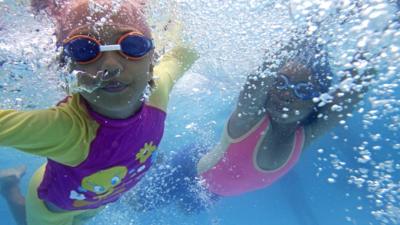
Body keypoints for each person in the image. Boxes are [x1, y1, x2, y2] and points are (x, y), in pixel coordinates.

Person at [0, 0, 198, 225]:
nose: (111, 66)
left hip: (97, 198)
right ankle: (10, 189)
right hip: (51, 210)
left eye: (132, 45)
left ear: (152, 59)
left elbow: (186, 51)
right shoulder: (67, 130)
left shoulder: (158, 91)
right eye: (83, 50)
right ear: (66, 67)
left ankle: (9, 184)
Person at [129, 37, 374, 213]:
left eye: (303, 90)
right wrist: (303, 36)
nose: (286, 94)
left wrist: (373, 37)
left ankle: (161, 163)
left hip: (215, 190)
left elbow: (348, 98)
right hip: (189, 168)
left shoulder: (304, 136)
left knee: (187, 209)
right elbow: (254, 85)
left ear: (318, 101)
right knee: (140, 204)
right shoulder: (248, 120)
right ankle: (160, 163)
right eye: (281, 82)